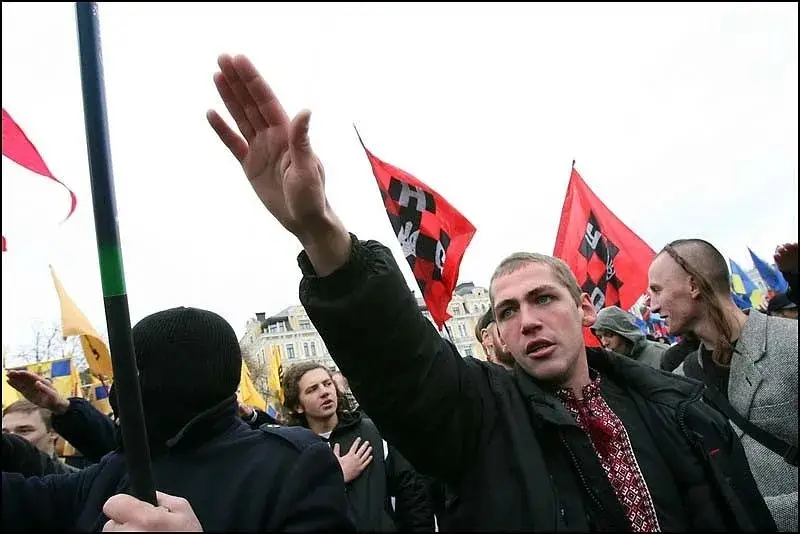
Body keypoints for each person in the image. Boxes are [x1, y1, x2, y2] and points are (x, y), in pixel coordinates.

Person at [202, 53, 777, 531]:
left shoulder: (679, 408)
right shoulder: (481, 417)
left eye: (543, 299)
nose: (527, 320)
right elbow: (397, 358)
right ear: (497, 332)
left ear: (584, 308)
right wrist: (320, 233)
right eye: (507, 311)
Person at [1, 307, 353, 532]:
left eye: (128, 375)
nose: (117, 393)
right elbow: (27, 498)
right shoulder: (118, 467)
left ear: (170, 381)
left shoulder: (291, 465)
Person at [648, 239, 798, 531]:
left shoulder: (791, 343)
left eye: (657, 290)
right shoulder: (680, 380)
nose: (652, 306)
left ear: (693, 285)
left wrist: (756, 515)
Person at [283, 362, 435, 531]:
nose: (324, 392)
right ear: (297, 406)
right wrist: (335, 478)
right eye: (313, 389)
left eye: (327, 384)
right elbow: (287, 511)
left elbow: (412, 491)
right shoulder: (290, 450)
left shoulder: (373, 431)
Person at [590, 306, 667, 368]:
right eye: (599, 337)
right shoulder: (611, 366)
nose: (604, 343)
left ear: (623, 332)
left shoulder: (662, 354)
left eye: (609, 335)